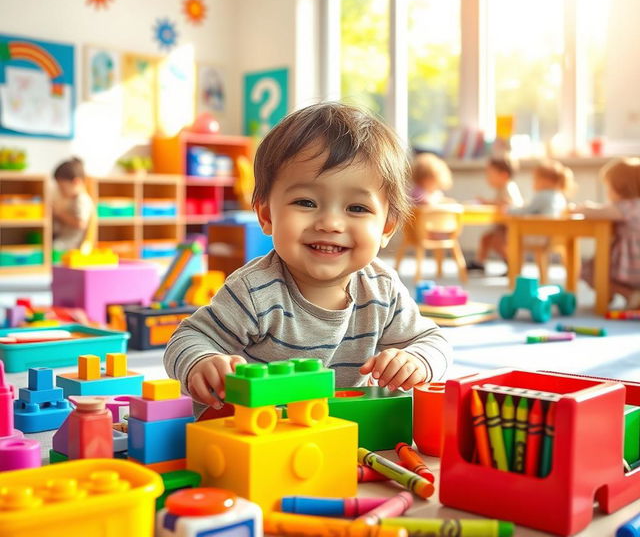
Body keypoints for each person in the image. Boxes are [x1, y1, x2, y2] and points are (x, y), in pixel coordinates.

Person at [164, 103, 451, 412]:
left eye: (356, 208)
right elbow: (186, 339)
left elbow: (434, 342)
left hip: (340, 432)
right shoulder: (255, 290)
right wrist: (204, 362)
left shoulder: (382, 288)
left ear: (387, 228)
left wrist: (415, 360)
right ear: (266, 215)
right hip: (260, 435)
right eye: (306, 202)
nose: (330, 223)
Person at [570, 157, 640, 309]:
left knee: (592, 272)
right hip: (632, 264)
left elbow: (597, 212)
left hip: (630, 264)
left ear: (620, 187)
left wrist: (580, 208)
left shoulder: (626, 207)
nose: (607, 193)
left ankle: (628, 295)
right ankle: (631, 296)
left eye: (608, 188)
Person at [467, 156, 523, 272]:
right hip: (502, 224)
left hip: (511, 226)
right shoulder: (501, 188)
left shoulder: (509, 187)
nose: (487, 178)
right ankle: (480, 262)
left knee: (497, 242)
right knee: (486, 238)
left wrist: (487, 202)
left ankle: (512, 263)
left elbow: (510, 203)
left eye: (490, 174)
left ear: (503, 175)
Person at [51, 157, 94, 252]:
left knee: (51, 249)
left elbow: (81, 224)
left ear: (76, 182)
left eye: (62, 187)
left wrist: (59, 214)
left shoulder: (82, 200)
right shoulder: (74, 199)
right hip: (65, 239)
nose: (60, 190)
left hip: (72, 244)